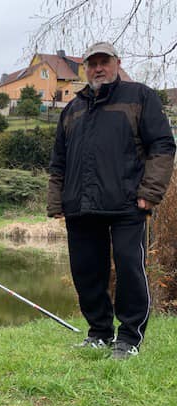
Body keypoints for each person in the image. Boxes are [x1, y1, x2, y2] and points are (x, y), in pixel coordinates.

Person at [47, 42, 175, 359]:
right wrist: (56, 202)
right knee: (86, 271)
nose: (98, 68)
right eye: (92, 64)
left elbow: (162, 146)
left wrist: (150, 193)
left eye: (104, 62)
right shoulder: (72, 109)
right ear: (85, 69)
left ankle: (129, 337)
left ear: (117, 63)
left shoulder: (139, 97)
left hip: (128, 205)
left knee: (130, 270)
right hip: (80, 206)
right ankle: (99, 333)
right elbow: (58, 161)